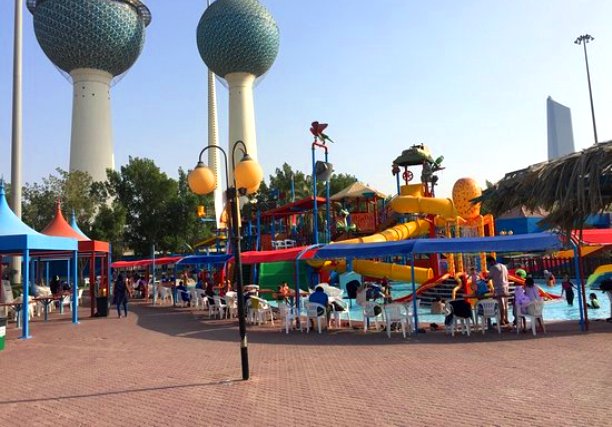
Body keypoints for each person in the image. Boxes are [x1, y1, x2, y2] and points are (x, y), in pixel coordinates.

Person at [486, 255, 510, 326]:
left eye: (489, 263)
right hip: (506, 286)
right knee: (505, 304)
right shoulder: (503, 266)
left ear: (491, 261)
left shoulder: (493, 268)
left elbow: (489, 277)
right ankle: (506, 319)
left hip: (499, 287)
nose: (488, 265)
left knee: (501, 304)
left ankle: (501, 320)